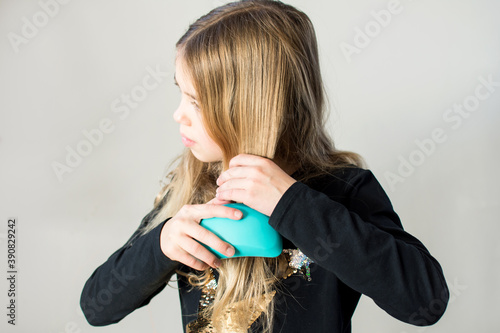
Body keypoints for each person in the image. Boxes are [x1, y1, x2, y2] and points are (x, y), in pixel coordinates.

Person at [80, 1, 449, 332]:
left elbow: (423, 303)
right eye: (180, 93)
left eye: (195, 101)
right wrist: (162, 244)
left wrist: (292, 204)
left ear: (247, 108)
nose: (177, 114)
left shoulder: (341, 189)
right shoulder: (188, 188)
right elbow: (96, 307)